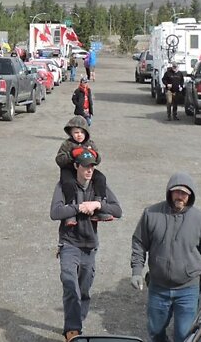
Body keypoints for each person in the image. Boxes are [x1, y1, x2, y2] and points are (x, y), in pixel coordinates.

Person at [130, 173, 201, 342]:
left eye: (184, 193)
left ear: (190, 195)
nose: (180, 196)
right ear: (169, 192)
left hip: (188, 289)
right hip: (158, 286)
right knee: (155, 330)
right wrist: (137, 270)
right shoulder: (151, 214)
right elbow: (139, 242)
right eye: (177, 192)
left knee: (184, 334)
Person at [50, 146, 122, 342]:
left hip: (89, 246)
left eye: (92, 166)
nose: (89, 170)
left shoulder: (98, 186)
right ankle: (72, 331)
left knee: (83, 290)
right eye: (85, 166)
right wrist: (78, 208)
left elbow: (118, 210)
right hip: (69, 244)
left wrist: (97, 205)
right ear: (76, 167)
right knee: (70, 284)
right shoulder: (64, 186)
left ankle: (76, 324)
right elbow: (55, 213)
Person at [55, 118, 112, 227]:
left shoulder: (90, 143)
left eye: (82, 132)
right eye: (76, 132)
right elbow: (59, 160)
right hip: (70, 169)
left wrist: (94, 154)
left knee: (101, 178)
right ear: (71, 132)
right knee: (68, 182)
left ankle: (99, 206)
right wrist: (71, 154)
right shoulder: (67, 144)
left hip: (86, 168)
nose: (79, 135)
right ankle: (70, 210)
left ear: (86, 133)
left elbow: (98, 160)